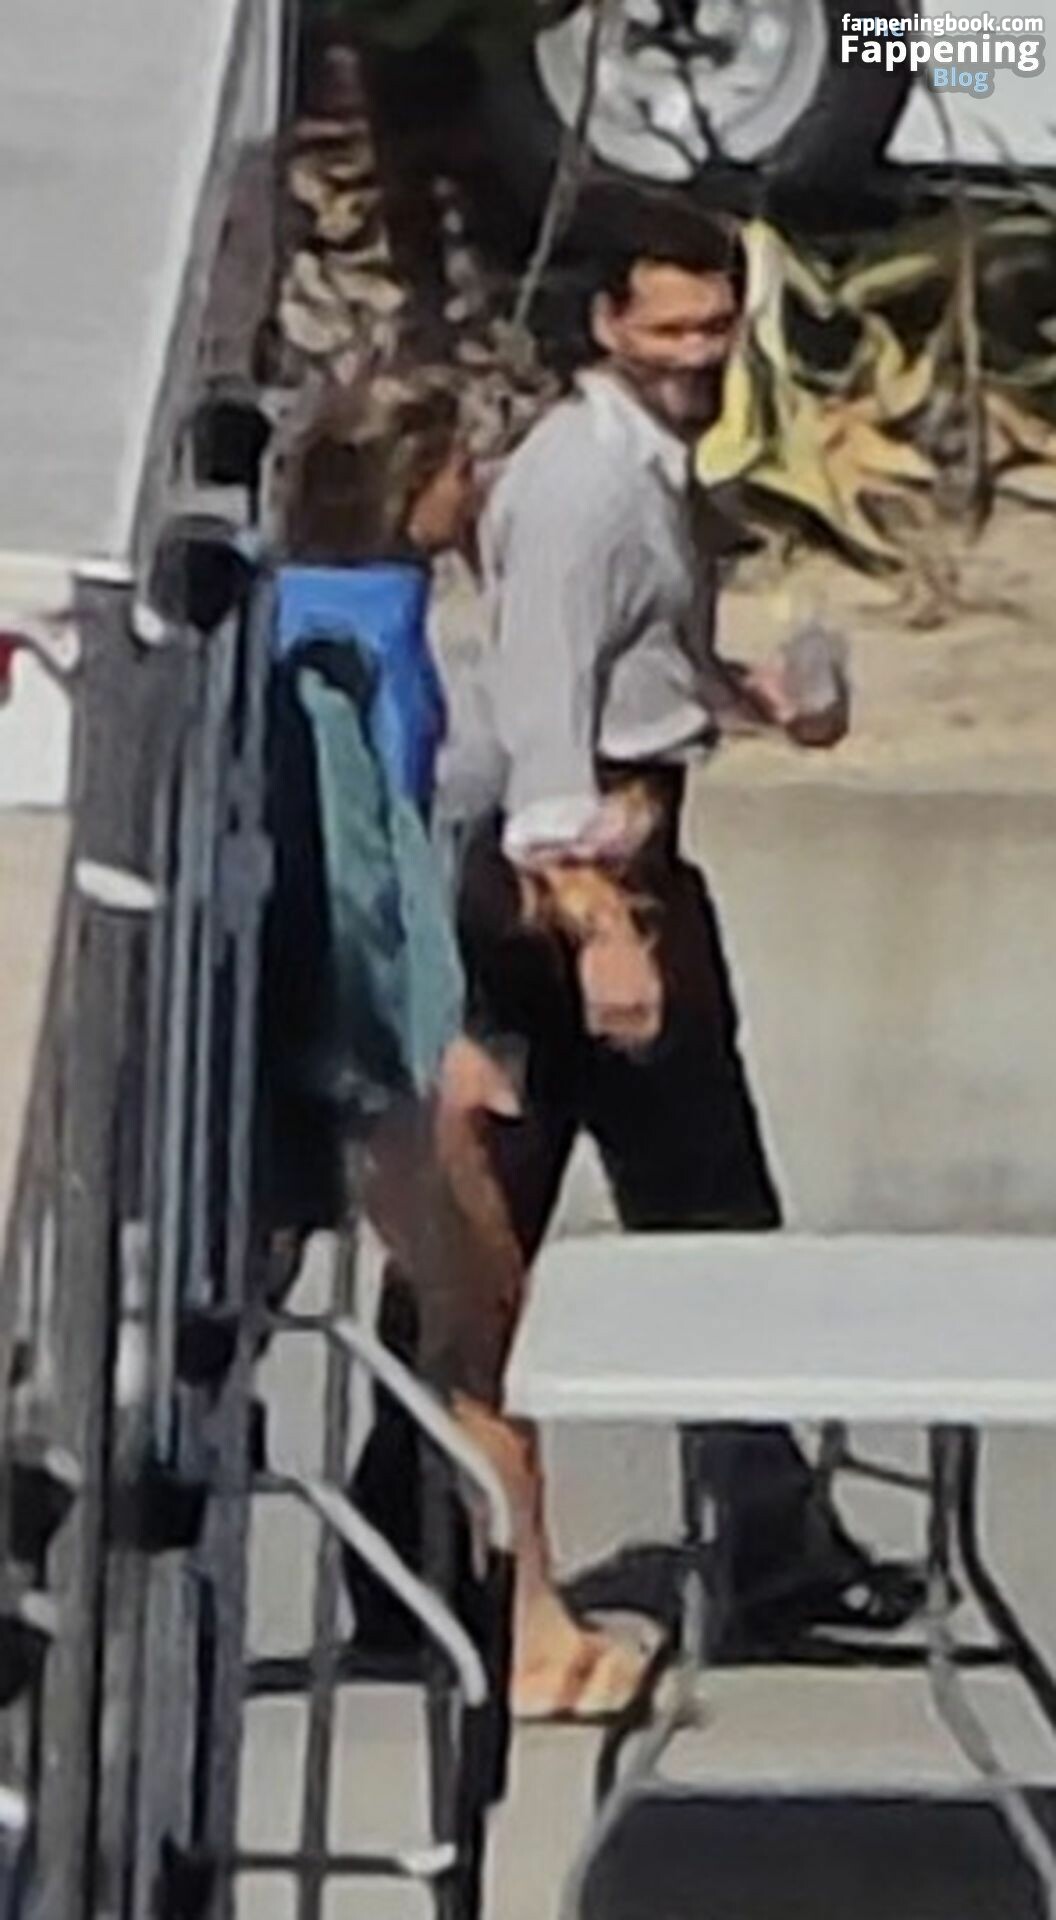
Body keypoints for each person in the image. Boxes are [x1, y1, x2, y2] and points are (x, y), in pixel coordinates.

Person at [426, 202, 924, 1721]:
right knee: (694, 1217)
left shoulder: (644, 468)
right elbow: (546, 724)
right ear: (606, 326)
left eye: (717, 327)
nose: (700, 355)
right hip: (584, 895)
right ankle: (762, 1542)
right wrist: (604, 932)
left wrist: (747, 694)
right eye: (672, 329)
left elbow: (635, 668)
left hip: (623, 866)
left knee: (501, 1232)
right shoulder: (581, 489)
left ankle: (428, 1538)